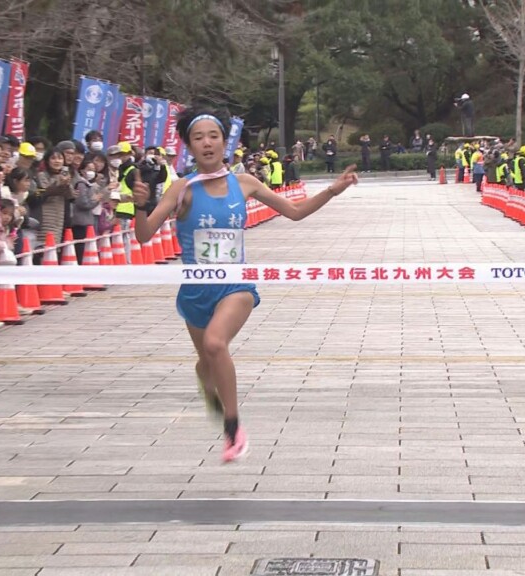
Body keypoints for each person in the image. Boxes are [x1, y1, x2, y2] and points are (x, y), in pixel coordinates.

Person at [131, 106, 359, 462]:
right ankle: (208, 380)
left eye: (213, 136)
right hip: (194, 290)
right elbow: (145, 236)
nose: (207, 143)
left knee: (215, 343)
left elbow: (295, 212)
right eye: (198, 138)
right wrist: (139, 207)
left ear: (225, 141)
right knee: (206, 362)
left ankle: (233, 429)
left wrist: (332, 190)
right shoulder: (181, 188)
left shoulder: (246, 183)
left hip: (236, 286)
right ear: (188, 146)